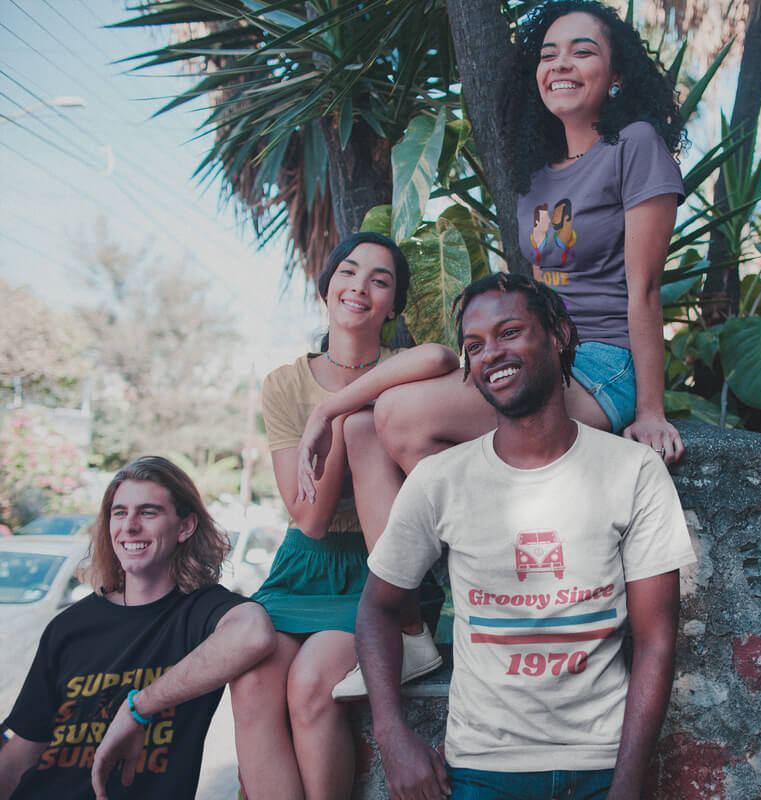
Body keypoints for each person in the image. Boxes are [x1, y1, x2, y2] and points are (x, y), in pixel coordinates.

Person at [357, 273, 697, 800]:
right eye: (474, 345)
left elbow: (655, 640)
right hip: (479, 771)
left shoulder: (632, 472)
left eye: (509, 332)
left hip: (601, 766)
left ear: (559, 335)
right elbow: (377, 608)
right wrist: (392, 735)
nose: (491, 353)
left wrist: (627, 786)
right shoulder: (440, 479)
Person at [371, 0, 686, 480]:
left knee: (400, 414)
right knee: (365, 430)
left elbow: (644, 289)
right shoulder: (536, 176)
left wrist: (651, 413)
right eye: (548, 55)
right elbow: (541, 296)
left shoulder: (636, 145)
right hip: (542, 353)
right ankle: (485, 536)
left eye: (582, 52)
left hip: (605, 364)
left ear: (616, 73)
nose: (561, 64)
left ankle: (480, 540)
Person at [231, 232, 454, 800]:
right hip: (304, 565)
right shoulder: (285, 382)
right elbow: (309, 518)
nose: (359, 287)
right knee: (253, 682)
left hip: (378, 568)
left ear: (394, 306)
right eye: (348, 273)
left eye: (380, 280)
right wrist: (331, 414)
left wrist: (334, 408)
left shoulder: (405, 368)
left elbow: (443, 356)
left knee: (310, 685)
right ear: (326, 285)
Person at [0, 456, 275, 800]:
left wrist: (138, 708)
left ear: (185, 527)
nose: (129, 526)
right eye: (119, 513)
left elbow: (254, 633)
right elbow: (23, 749)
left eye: (148, 513)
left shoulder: (202, 612)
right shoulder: (68, 627)